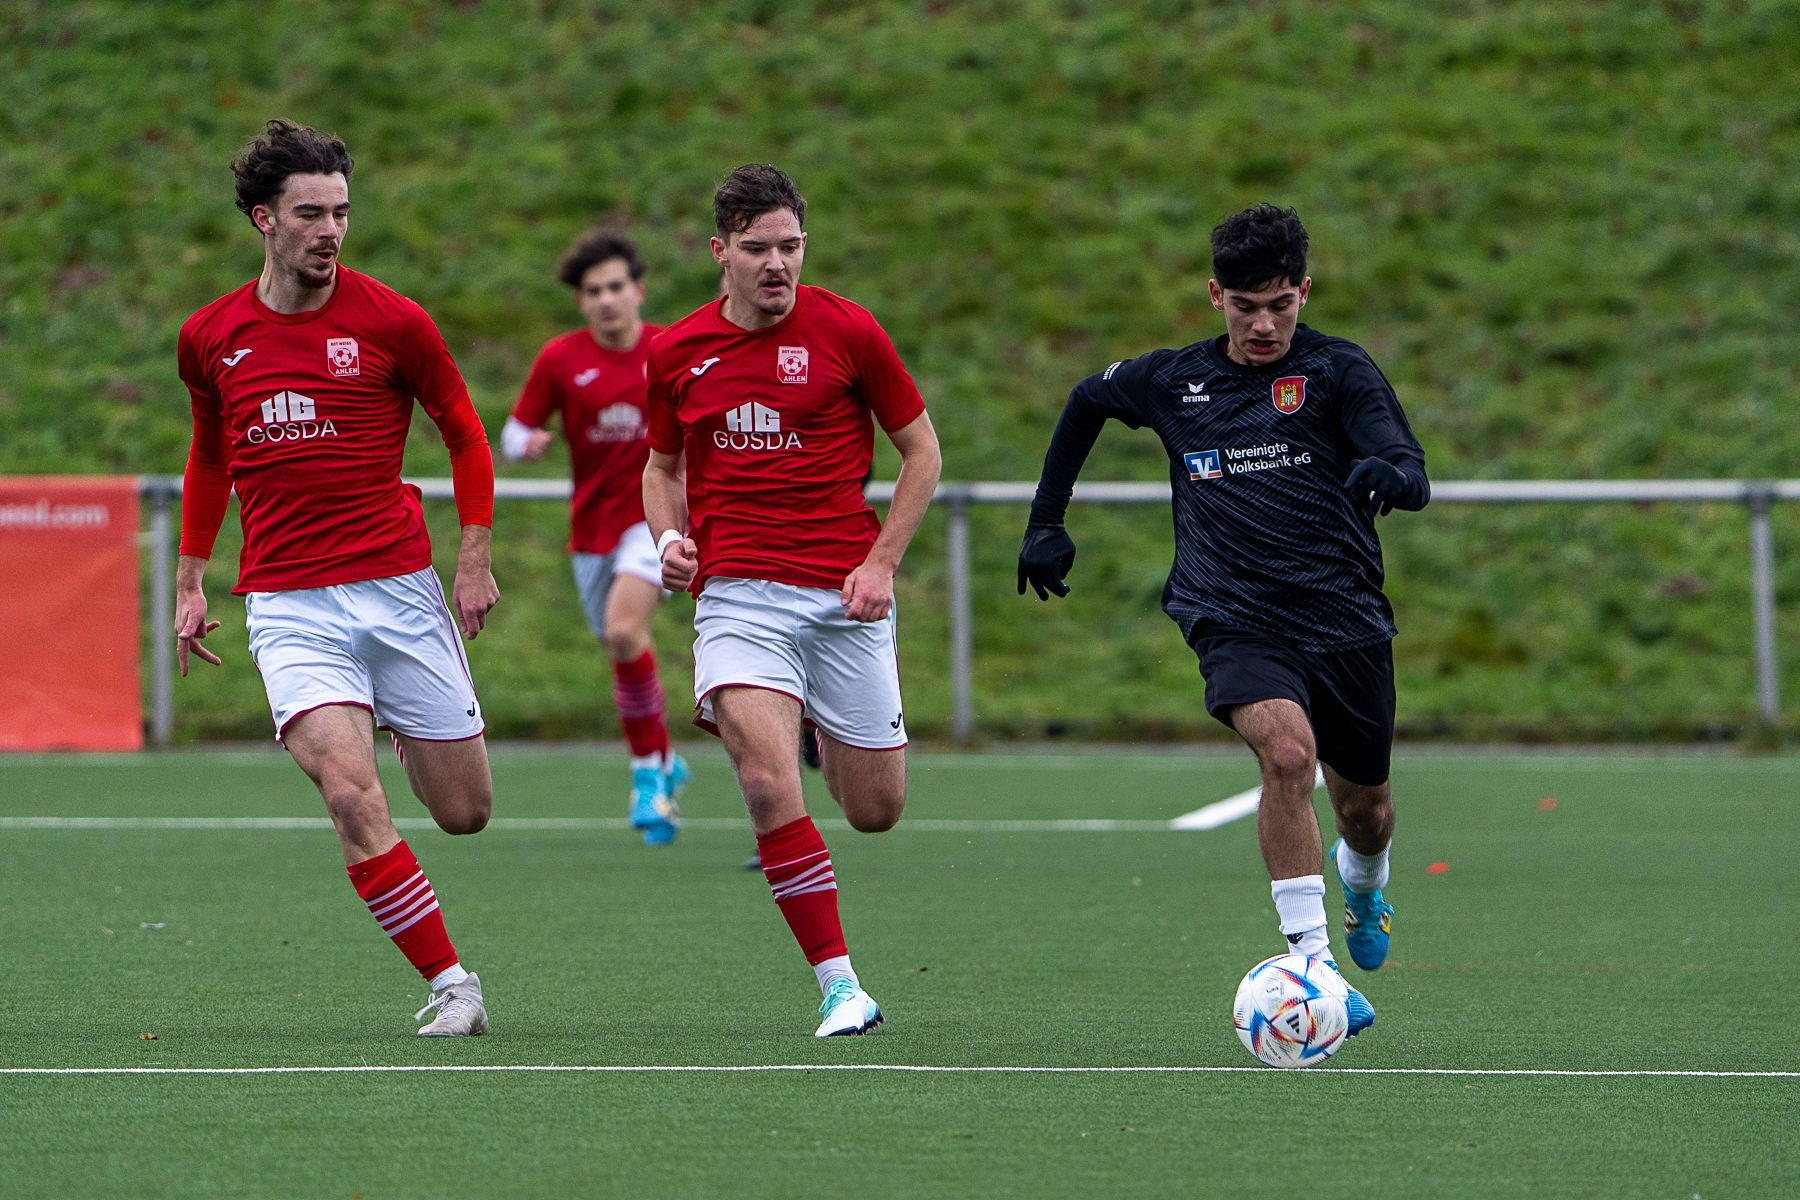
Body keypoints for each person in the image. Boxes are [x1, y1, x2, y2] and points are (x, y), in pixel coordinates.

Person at [1016, 203, 1428, 1038]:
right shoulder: (1176, 382)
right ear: (1216, 296)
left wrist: (1389, 471)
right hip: (1232, 615)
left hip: (1344, 621)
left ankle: (1365, 886)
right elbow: (1086, 400)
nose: (1266, 323)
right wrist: (1046, 520)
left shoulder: (1341, 372)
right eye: (1247, 307)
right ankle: (1311, 964)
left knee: (1368, 811)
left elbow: (1409, 467)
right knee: (1286, 753)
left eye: (1281, 304)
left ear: (1305, 291)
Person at [174, 119, 498, 1037]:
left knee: (466, 812)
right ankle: (453, 986)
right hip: (286, 602)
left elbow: (466, 434)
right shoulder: (210, 338)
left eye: (341, 212)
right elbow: (209, 459)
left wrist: (472, 561)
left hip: (399, 591)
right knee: (350, 796)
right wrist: (194, 579)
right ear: (261, 220)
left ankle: (397, 720)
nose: (330, 230)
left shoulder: (393, 321)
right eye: (309, 213)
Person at [643, 164, 942, 1036]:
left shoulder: (850, 331)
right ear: (720, 252)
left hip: (843, 599)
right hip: (737, 598)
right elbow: (661, 470)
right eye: (758, 249)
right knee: (769, 782)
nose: (778, 264)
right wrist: (668, 541)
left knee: (875, 812)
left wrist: (882, 563)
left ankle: (818, 717)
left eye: (791, 247)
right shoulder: (677, 351)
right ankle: (841, 986)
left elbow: (921, 454)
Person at [500, 229, 689, 845]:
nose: (606, 300)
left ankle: (646, 777)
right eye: (593, 291)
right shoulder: (561, 358)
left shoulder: (671, 348)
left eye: (616, 287)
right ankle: (664, 758)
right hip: (592, 532)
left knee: (624, 630)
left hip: (651, 521)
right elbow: (512, 430)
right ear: (581, 302)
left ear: (638, 290)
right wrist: (525, 444)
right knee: (621, 643)